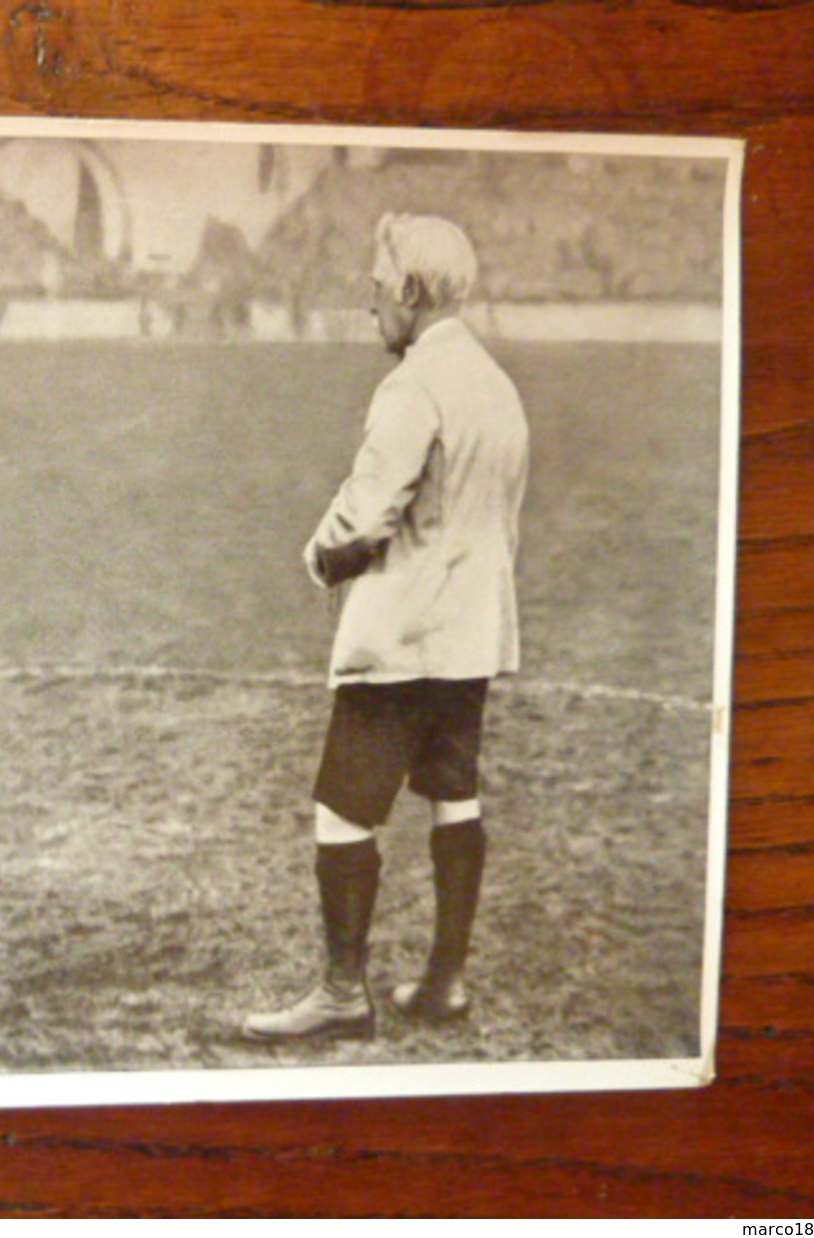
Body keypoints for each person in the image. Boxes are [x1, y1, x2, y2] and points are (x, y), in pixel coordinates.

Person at [242, 214, 529, 1042]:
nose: (369, 304)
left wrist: (317, 559)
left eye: (375, 287)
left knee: (343, 809)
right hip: (470, 630)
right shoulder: (494, 382)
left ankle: (341, 992)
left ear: (408, 290)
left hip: (403, 634)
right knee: (452, 795)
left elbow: (364, 519)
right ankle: (444, 983)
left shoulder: (412, 385)